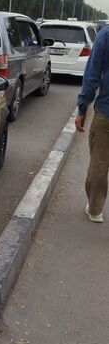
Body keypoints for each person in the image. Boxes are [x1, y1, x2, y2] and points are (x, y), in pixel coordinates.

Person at [75, 26, 109, 222]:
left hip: (106, 112)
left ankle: (95, 209)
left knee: (99, 161)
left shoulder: (106, 35)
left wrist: (82, 109)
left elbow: (92, 76)